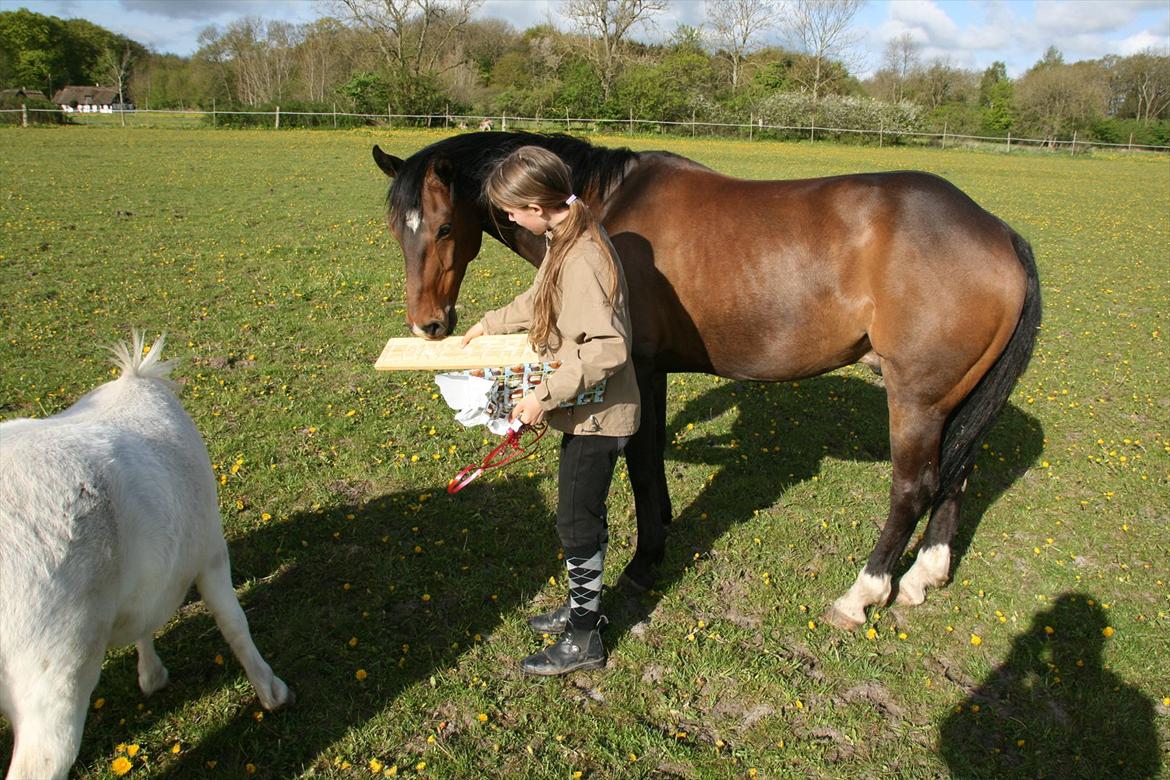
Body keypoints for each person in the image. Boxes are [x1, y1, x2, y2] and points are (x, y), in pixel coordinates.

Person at [461, 145, 640, 676]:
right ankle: (583, 605)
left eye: (512, 212)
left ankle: (585, 638)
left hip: (600, 417)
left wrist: (542, 397)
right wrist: (490, 322)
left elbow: (609, 348)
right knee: (582, 514)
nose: (510, 220)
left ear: (537, 206)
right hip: (585, 410)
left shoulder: (583, 256)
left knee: (575, 521)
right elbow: (541, 298)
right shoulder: (564, 237)